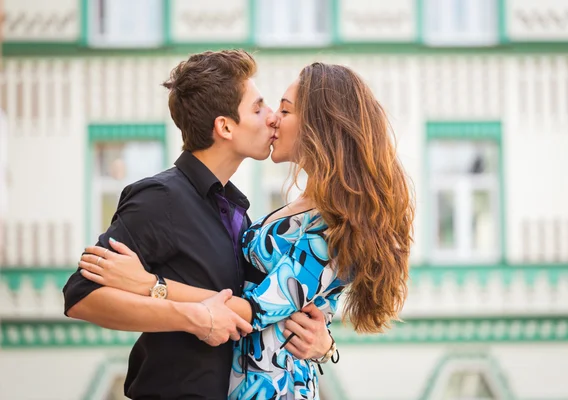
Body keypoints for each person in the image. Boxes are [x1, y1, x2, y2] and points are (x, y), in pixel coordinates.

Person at [79, 62, 415, 399]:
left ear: (318, 124)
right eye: (264, 108)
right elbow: (81, 295)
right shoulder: (270, 205)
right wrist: (324, 344)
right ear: (224, 126)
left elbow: (255, 309)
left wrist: (151, 286)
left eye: (284, 109)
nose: (272, 118)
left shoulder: (333, 222)